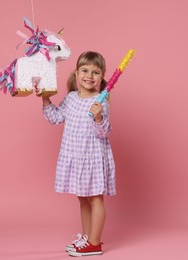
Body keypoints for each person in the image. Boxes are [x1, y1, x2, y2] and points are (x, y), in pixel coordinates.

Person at [36, 51, 116, 257]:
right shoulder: (71, 98)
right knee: (82, 198)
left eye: (96, 72)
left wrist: (98, 117)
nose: (90, 75)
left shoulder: (101, 102)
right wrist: (45, 99)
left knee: (96, 198)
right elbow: (55, 118)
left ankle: (95, 243)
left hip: (93, 157)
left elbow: (104, 133)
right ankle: (87, 237)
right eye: (85, 70)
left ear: (102, 77)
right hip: (74, 155)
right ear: (76, 73)